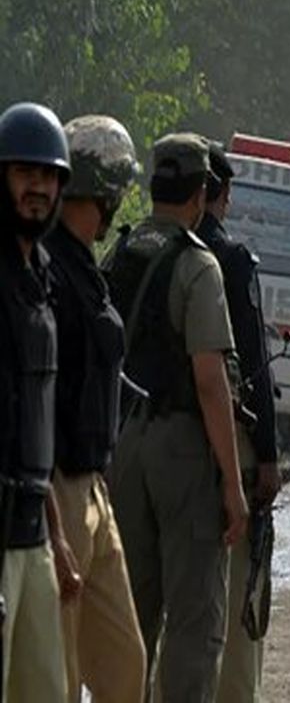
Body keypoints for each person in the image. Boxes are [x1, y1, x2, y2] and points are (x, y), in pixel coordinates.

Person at [105, 133, 248, 701]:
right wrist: (233, 486)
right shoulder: (196, 265)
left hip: (123, 446)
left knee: (133, 617)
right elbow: (211, 381)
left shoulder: (120, 252)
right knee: (193, 621)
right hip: (182, 451)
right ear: (202, 192)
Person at [45, 115, 147, 702]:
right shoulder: (48, 270)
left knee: (124, 665)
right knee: (57, 672)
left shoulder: (84, 264)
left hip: (93, 486)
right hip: (56, 485)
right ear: (104, 192)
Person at [195, 141, 281, 703]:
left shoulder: (135, 254)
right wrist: (268, 455)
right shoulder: (228, 260)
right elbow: (250, 362)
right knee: (237, 591)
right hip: (226, 444)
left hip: (149, 446)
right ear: (220, 196)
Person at [0, 102, 72, 702]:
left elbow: (34, 421)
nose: (38, 189)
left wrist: (58, 536)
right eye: (25, 174)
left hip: (34, 536)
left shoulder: (42, 274)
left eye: (48, 177)